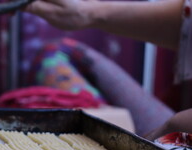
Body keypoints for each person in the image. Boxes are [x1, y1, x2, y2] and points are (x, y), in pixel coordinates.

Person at [24, 0, 192, 141]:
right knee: (57, 54)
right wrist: (87, 13)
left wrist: (152, 143)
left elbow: (177, 126)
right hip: (181, 122)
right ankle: (107, 116)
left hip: (183, 143)